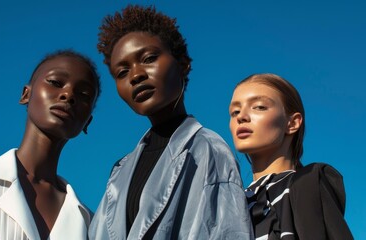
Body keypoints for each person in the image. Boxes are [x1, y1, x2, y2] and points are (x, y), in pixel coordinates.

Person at [89, 5, 252, 240]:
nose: (136, 76)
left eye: (148, 58)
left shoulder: (209, 150)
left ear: (182, 63)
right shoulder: (121, 170)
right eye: (122, 72)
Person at [0, 49, 101, 240]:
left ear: (87, 122)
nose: (68, 95)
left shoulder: (90, 225)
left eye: (84, 95)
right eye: (56, 83)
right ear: (26, 94)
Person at [229, 73, 353, 239]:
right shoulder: (228, 203)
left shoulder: (307, 183)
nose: (241, 117)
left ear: (293, 123)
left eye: (259, 107)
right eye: (235, 112)